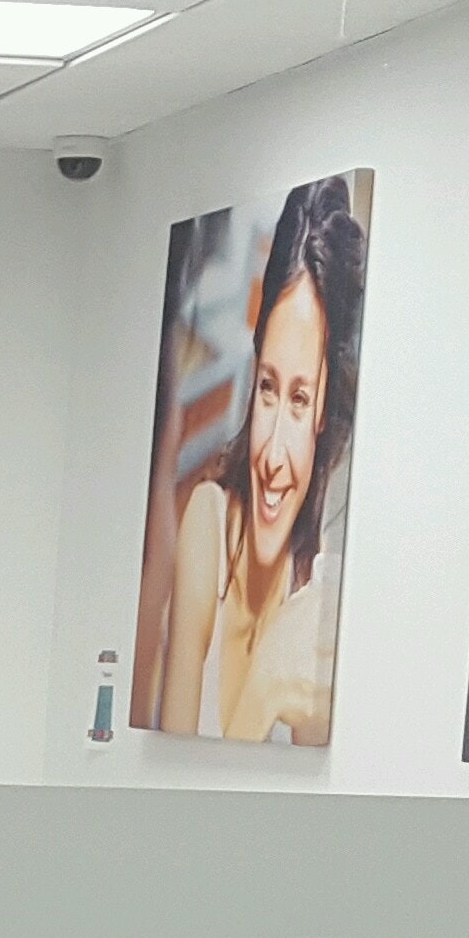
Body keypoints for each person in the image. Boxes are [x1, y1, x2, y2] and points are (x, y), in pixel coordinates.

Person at [160, 175, 363, 744]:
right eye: (269, 388)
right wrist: (267, 684)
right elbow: (173, 778)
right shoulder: (209, 522)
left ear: (324, 413)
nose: (272, 454)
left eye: (299, 399)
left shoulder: (319, 594)